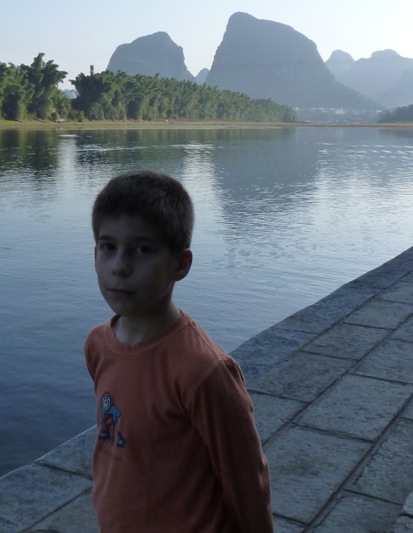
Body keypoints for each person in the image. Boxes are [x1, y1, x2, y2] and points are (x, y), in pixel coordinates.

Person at [84, 170, 274, 533]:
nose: (120, 267)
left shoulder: (202, 370)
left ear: (180, 264)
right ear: (95, 254)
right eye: (108, 247)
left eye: (142, 249)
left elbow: (247, 480)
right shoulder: (98, 345)